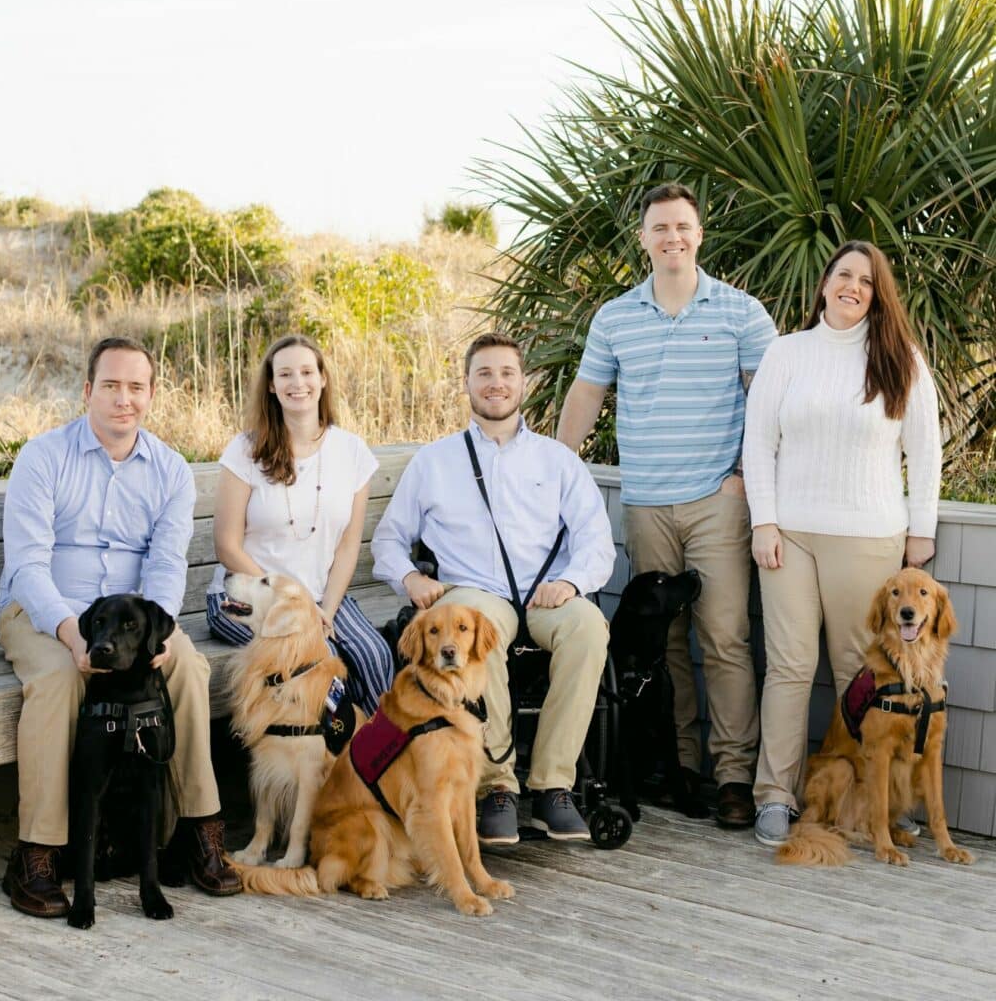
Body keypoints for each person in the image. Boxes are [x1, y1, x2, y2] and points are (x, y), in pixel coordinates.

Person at [557, 183, 778, 829]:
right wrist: (548, 473)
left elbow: (768, 407)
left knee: (727, 639)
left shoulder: (741, 313)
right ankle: (680, 767)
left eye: (683, 226)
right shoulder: (615, 317)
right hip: (646, 504)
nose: (672, 237)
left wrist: (742, 476)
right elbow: (585, 396)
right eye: (660, 228)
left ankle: (734, 777)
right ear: (644, 239)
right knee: (666, 647)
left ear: (699, 234)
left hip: (717, 502)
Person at [0, 337, 241, 919]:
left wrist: (153, 639)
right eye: (111, 386)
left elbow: (166, 562)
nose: (123, 399)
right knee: (60, 678)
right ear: (88, 391)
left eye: (136, 387)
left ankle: (199, 829)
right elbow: (29, 565)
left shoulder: (170, 471)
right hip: (42, 610)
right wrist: (70, 633)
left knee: (185, 663)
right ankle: (39, 851)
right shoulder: (43, 457)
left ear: (152, 395)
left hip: (129, 622)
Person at [372, 332, 616, 844]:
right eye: (483, 373)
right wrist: (411, 577)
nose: (496, 383)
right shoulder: (435, 461)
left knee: (590, 628)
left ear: (523, 382)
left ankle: (553, 786)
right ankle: (497, 786)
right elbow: (389, 540)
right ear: (466, 384)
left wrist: (571, 581)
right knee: (476, 629)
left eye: (506, 373)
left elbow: (596, 538)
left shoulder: (557, 460)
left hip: (547, 593)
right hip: (473, 592)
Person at [742, 240, 942, 846]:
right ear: (825, 283)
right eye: (844, 275)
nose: (853, 286)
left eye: (867, 281)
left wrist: (921, 531)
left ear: (878, 296)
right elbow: (759, 442)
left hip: (869, 534)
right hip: (791, 536)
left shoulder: (900, 358)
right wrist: (764, 521)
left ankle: (869, 803)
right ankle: (775, 796)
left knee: (862, 675)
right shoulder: (787, 353)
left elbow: (925, 451)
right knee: (790, 666)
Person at [206, 333, 394, 716]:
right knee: (316, 658)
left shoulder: (352, 451)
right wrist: (295, 601)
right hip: (249, 598)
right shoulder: (245, 450)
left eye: (307, 372)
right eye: (286, 374)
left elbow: (348, 545)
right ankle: (325, 764)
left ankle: (382, 758)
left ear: (323, 379)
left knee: (374, 654)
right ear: (272, 386)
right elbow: (227, 546)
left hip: (324, 597)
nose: (298, 383)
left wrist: (324, 606)